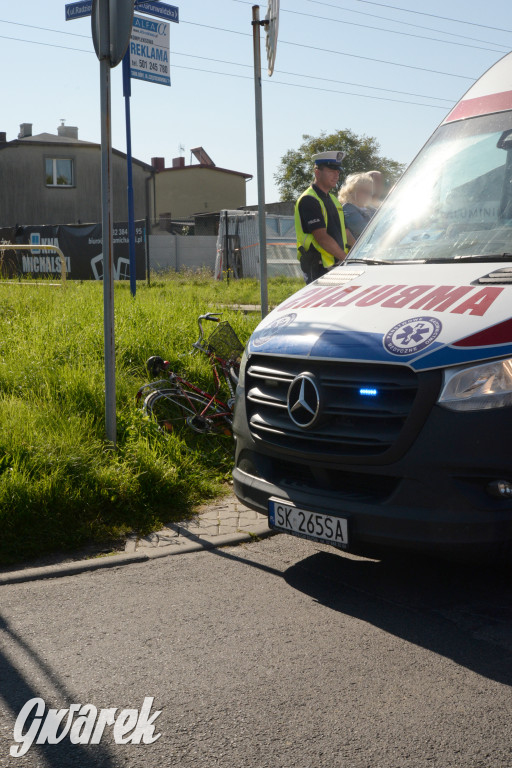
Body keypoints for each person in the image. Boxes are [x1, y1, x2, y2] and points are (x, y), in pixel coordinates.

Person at [295, 151, 354, 284]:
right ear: (317, 172)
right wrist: (347, 259)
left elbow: (346, 233)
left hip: (337, 265)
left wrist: (357, 255)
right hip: (318, 268)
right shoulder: (309, 199)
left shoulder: (333, 199)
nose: (336, 175)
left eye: (338, 171)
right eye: (331, 170)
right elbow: (321, 237)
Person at [337, 172, 375, 241]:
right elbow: (364, 230)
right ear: (351, 191)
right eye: (364, 191)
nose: (368, 194)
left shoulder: (372, 209)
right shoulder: (348, 209)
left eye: (370, 192)